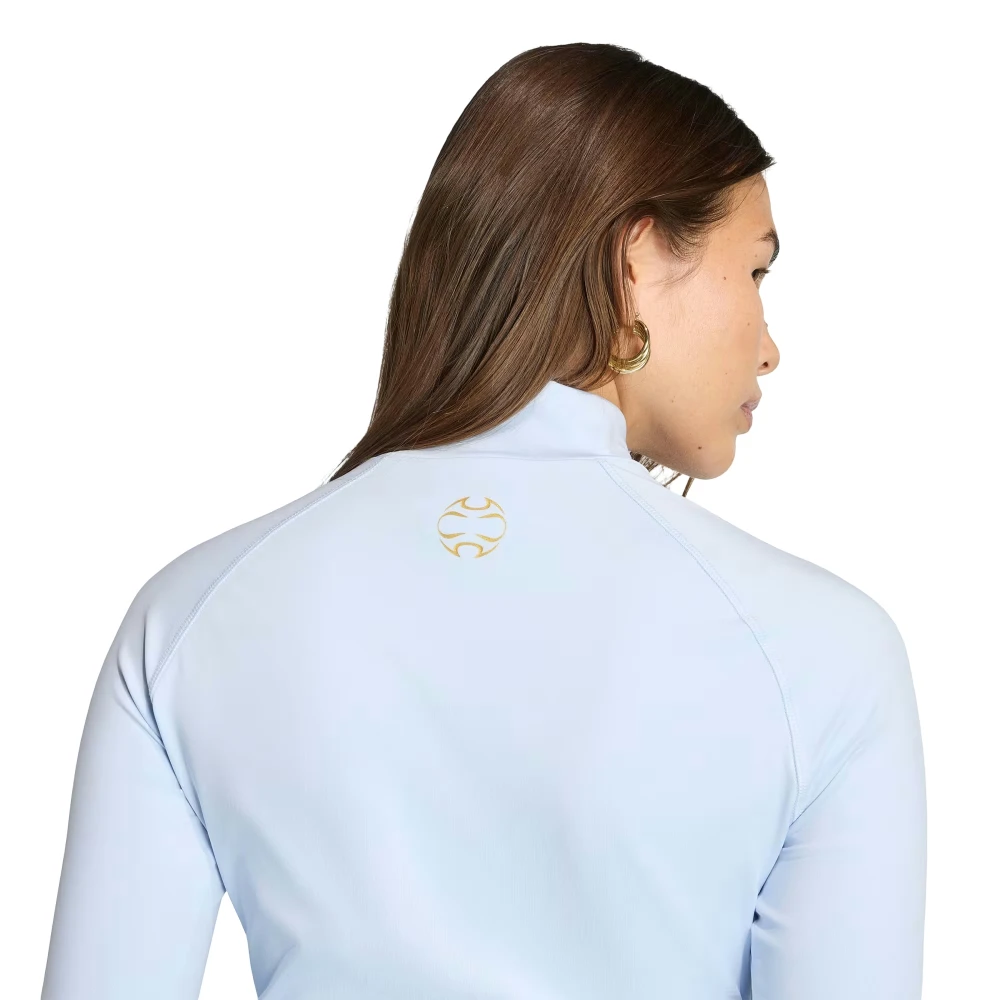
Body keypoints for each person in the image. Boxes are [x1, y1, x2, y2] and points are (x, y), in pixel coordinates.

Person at [40, 42, 927, 1000]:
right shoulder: (822, 649)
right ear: (635, 260)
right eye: (755, 272)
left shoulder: (190, 616)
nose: (769, 346)